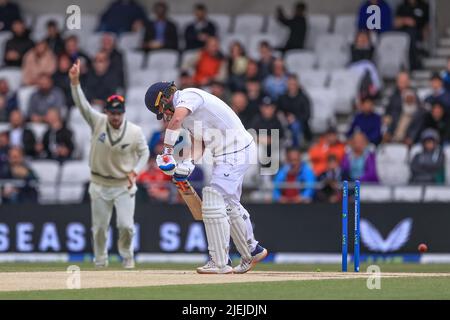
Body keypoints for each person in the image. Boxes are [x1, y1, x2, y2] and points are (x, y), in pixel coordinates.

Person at [144, 81, 267, 274]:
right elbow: (199, 144)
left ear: (164, 98)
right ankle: (253, 250)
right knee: (228, 203)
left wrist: (167, 152)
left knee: (213, 198)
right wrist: (188, 163)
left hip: (236, 151)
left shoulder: (189, 96)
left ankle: (219, 263)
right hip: (225, 154)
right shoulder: (186, 116)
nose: (165, 115)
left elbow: (174, 122)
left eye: (161, 110)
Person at [69, 59, 149, 268]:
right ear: (106, 112)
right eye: (112, 113)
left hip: (124, 184)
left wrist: (136, 172)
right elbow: (82, 105)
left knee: (126, 226)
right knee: (100, 228)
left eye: (118, 113)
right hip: (99, 183)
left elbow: (144, 153)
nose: (115, 117)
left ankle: (127, 257)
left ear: (123, 112)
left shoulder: (134, 131)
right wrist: (75, 82)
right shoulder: (97, 122)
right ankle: (101, 260)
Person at [277, 74, 312, 146]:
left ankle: (295, 148)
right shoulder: (282, 97)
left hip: (300, 124)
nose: (292, 86)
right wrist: (283, 117)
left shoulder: (303, 98)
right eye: (290, 84)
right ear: (287, 84)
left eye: (294, 84)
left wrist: (295, 118)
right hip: (283, 122)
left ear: (298, 84)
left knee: (295, 126)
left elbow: (307, 115)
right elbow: (278, 110)